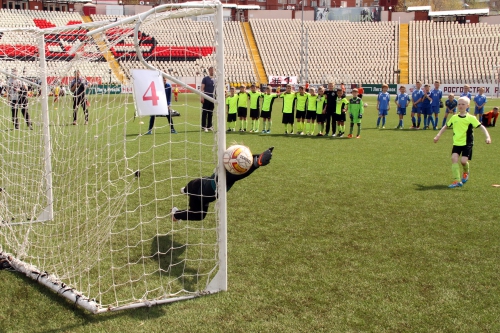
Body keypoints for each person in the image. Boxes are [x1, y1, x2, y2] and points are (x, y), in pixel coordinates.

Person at [172, 146, 274, 221]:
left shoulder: (226, 165)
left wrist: (257, 159)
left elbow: (244, 162)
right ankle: (175, 214)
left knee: (198, 183)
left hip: (199, 183)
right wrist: (257, 163)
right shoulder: (229, 177)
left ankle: (185, 190)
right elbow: (240, 174)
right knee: (199, 216)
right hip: (200, 196)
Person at [434, 96, 491, 188]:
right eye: (459, 104)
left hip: (467, 143)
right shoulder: (454, 117)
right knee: (454, 159)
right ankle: (457, 180)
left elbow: (481, 127)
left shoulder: (471, 118)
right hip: (456, 143)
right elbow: (446, 126)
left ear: (467, 106)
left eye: (463, 104)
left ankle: (465, 172)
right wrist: (438, 135)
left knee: (463, 161)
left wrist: (487, 136)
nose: (460, 106)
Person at [200, 66, 215, 132]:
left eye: (213, 70)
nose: (212, 71)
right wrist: (202, 96)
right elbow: (202, 88)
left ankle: (209, 126)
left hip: (213, 98)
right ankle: (204, 126)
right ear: (209, 71)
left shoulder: (216, 79)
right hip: (206, 97)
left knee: (210, 113)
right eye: (211, 70)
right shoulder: (205, 79)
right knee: (205, 112)